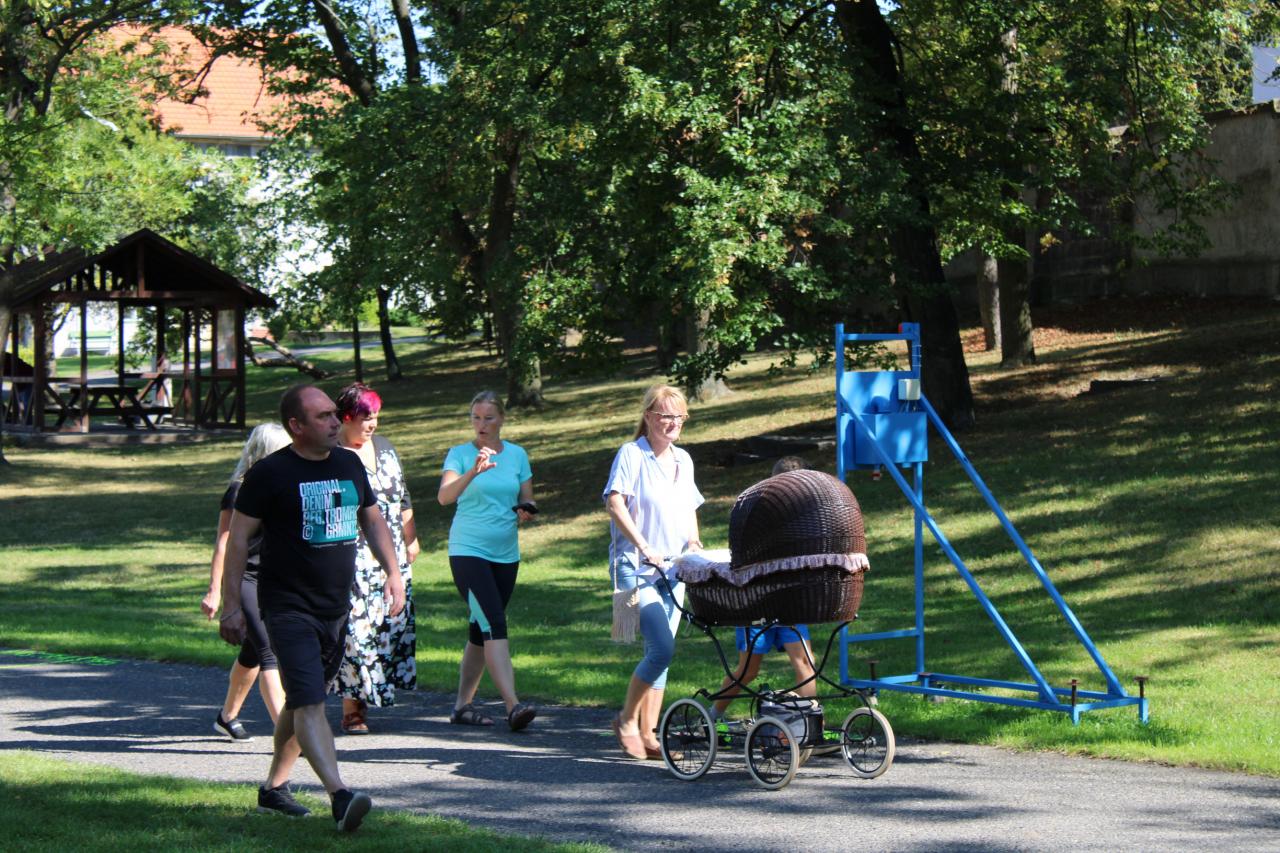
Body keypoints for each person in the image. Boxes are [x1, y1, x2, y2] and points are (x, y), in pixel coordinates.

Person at [220, 384, 405, 833]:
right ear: (296, 426)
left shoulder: (347, 463)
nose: (334, 422)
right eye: (323, 416)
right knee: (308, 700)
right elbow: (237, 539)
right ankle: (340, 796)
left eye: (334, 414)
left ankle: (273, 789)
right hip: (287, 606)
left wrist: (393, 572)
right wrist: (231, 604)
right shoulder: (269, 474)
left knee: (305, 700)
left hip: (335, 607)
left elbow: (372, 519)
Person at [603, 385, 704, 760]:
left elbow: (688, 507)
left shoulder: (683, 460)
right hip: (635, 569)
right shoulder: (632, 454)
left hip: (674, 570)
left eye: (679, 416)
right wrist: (644, 546)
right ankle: (627, 720)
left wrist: (694, 542)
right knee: (662, 647)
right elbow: (615, 503)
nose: (674, 422)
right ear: (648, 417)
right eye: (666, 415)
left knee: (660, 653)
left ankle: (649, 733)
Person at [437, 390, 538, 731]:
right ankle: (513, 706)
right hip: (468, 551)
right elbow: (444, 497)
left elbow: (526, 497)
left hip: (506, 554)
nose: (481, 424)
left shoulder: (518, 455)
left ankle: (461, 707)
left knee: (480, 632)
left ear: (502, 419)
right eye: (476, 418)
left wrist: (526, 510)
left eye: (488, 418)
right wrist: (474, 472)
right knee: (494, 624)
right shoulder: (460, 455)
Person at [332, 383, 419, 735]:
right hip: (353, 553)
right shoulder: (334, 453)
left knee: (388, 626)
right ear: (346, 418)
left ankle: (370, 694)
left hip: (391, 550)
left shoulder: (384, 447)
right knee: (356, 630)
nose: (372, 424)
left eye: (376, 417)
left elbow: (402, 496)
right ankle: (352, 708)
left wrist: (412, 539)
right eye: (365, 418)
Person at [203, 423, 292, 741]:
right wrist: (215, 591)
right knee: (269, 652)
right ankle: (288, 734)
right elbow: (223, 542)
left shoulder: (282, 486)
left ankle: (226, 716)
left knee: (253, 652)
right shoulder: (239, 489)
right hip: (245, 578)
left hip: (274, 579)